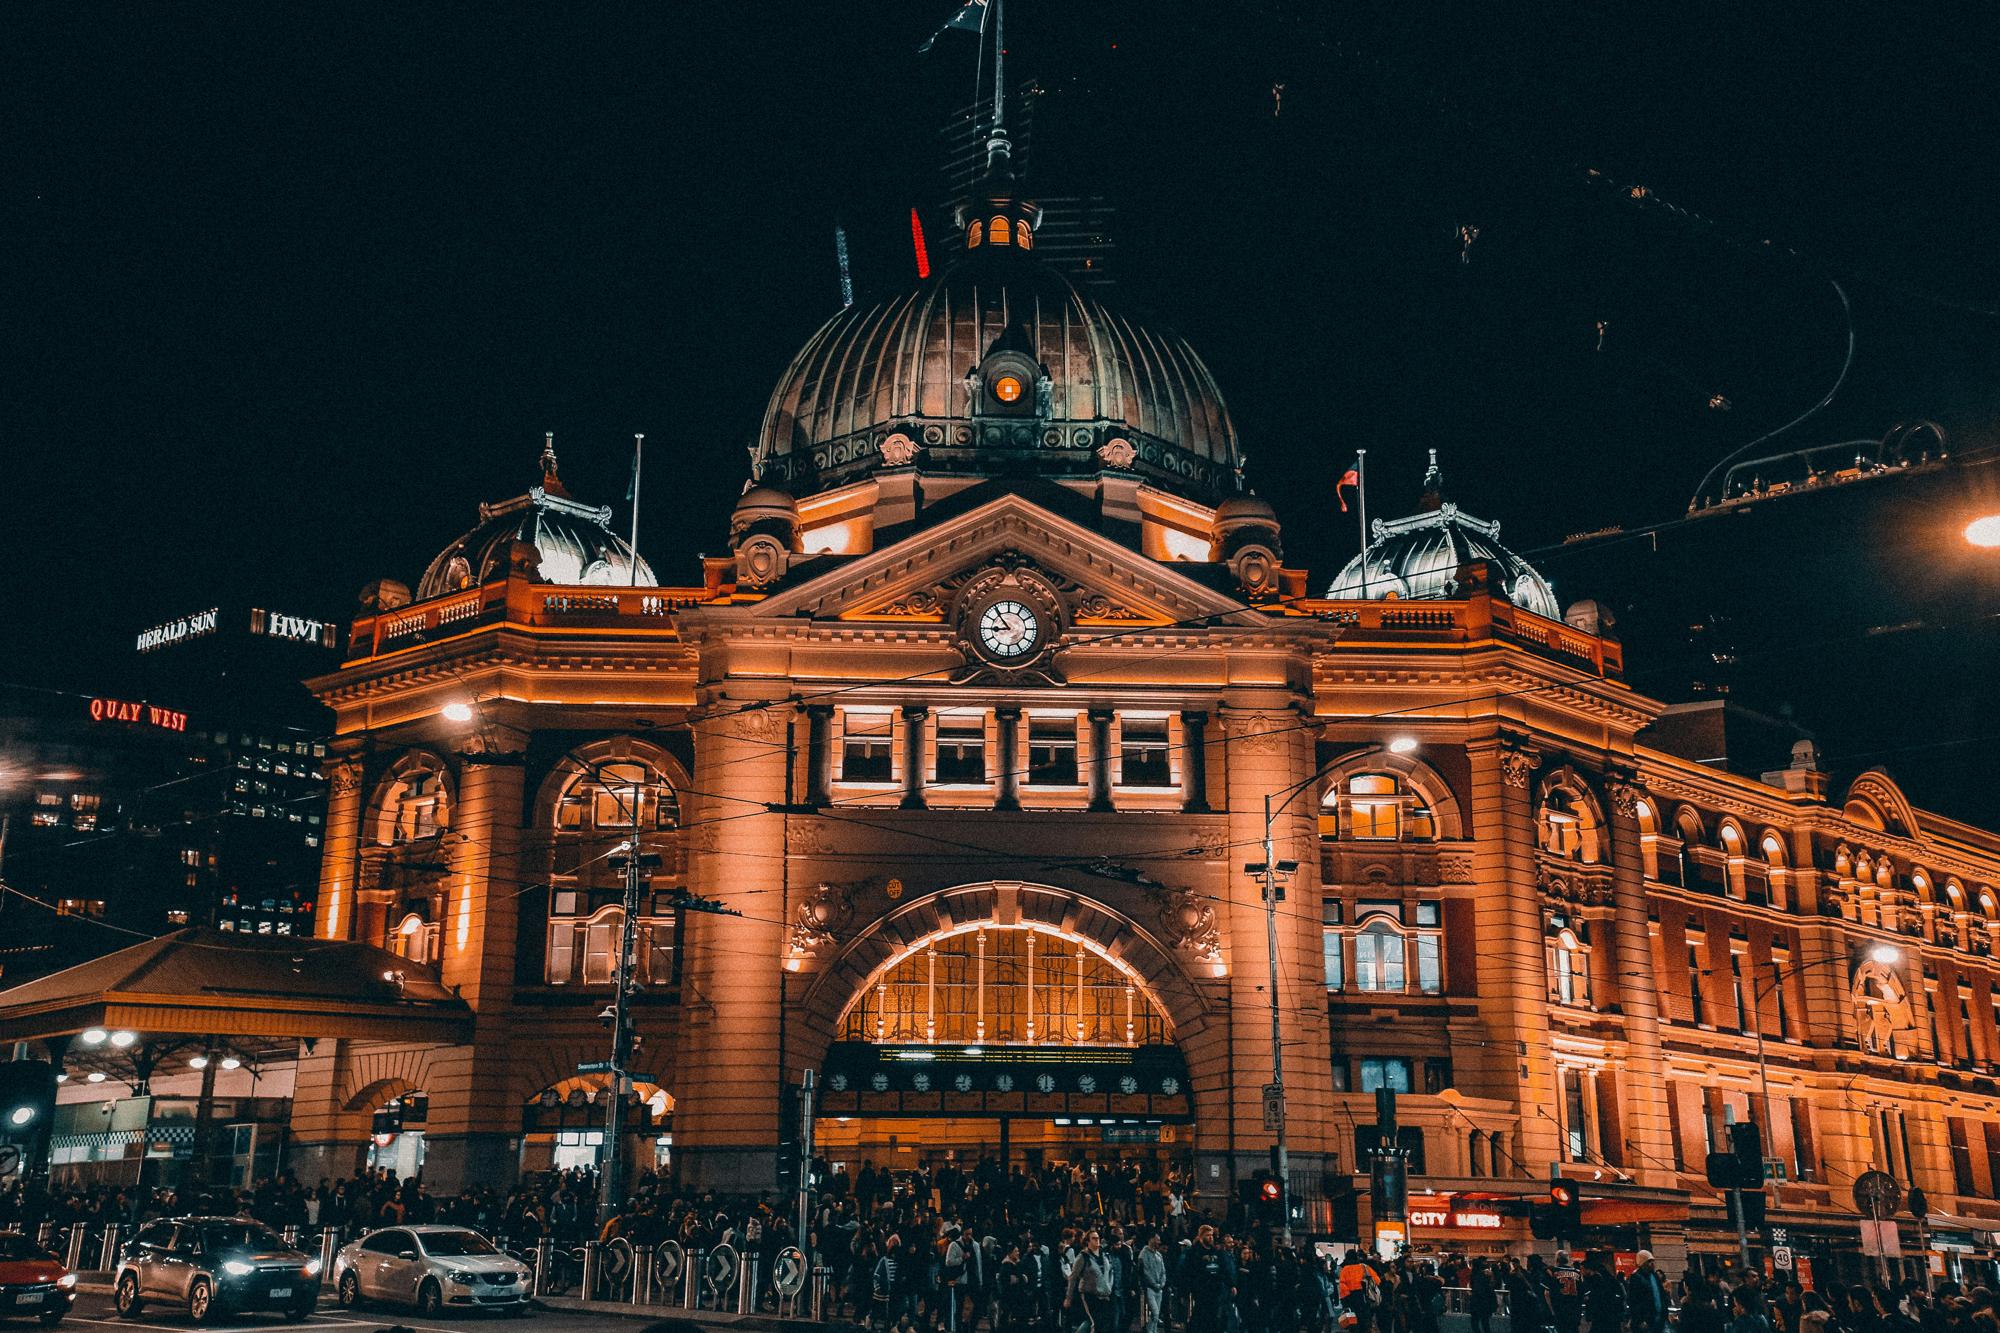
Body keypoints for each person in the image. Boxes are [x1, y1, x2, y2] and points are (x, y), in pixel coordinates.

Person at [1067, 1229, 1115, 1333]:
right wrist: (1068, 1297)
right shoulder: (1083, 1257)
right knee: (1095, 1323)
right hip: (1090, 1295)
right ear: (1087, 1241)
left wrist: (1109, 1286)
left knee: (1102, 1322)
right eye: (1093, 1238)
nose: (1097, 1240)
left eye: (1098, 1238)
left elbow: (1110, 1271)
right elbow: (1073, 1277)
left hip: (1104, 1294)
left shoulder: (1104, 1255)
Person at [1626, 1251, 1669, 1333]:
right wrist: (1640, 1319)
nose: (1652, 1264)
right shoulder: (1636, 1278)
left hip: (1658, 1319)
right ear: (1642, 1264)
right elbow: (1633, 1301)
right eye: (1649, 1261)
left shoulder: (1654, 1276)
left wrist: (1664, 1313)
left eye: (1653, 1261)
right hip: (1646, 1321)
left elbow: (1661, 1295)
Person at [1139, 1233, 1171, 1333]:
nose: (1159, 1242)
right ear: (1151, 1239)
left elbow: (1163, 1271)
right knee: (1155, 1313)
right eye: (1157, 1239)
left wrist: (1162, 1284)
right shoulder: (1143, 1254)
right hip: (1150, 1288)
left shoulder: (1159, 1255)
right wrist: (1154, 1284)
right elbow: (1145, 1272)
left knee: (1155, 1316)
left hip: (1159, 1289)